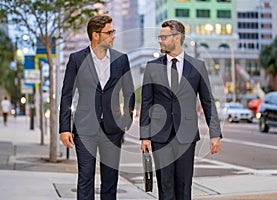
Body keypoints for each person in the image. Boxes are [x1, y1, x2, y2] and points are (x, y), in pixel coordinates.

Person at [140, 20, 222, 200]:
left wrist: (215, 134)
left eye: (163, 37)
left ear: (177, 38)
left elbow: (207, 101)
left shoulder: (197, 66)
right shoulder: (152, 66)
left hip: (186, 135)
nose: (160, 40)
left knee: (184, 186)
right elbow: (146, 102)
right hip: (160, 136)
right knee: (165, 186)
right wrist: (145, 135)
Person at [59, 15, 135, 200]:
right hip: (85, 128)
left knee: (110, 179)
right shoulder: (76, 59)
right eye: (109, 32)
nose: (113, 36)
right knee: (85, 177)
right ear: (95, 35)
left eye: (113, 32)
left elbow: (129, 92)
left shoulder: (121, 59)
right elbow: (67, 94)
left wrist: (126, 120)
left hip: (112, 129)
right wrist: (64, 128)